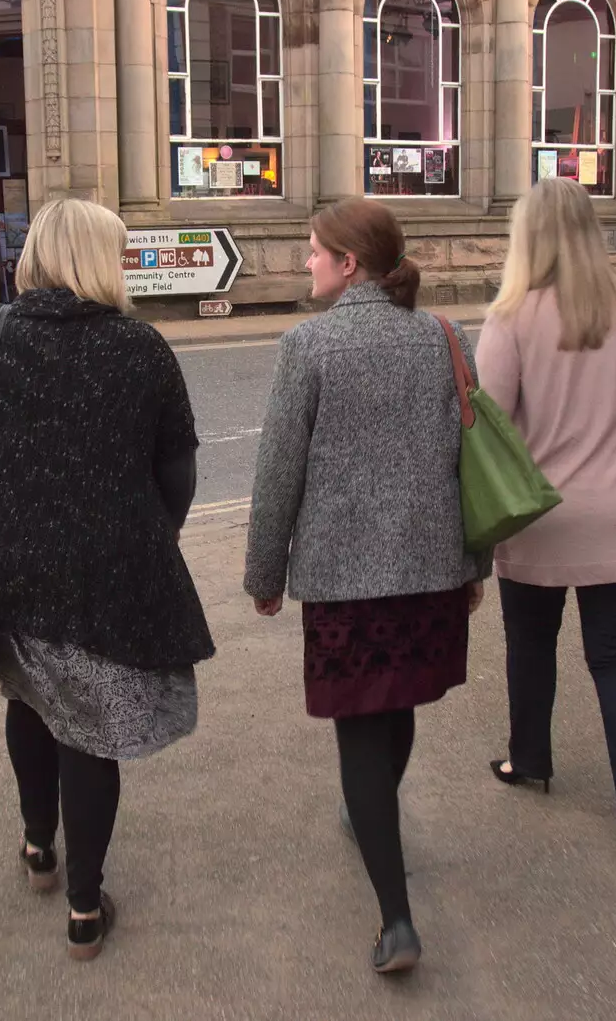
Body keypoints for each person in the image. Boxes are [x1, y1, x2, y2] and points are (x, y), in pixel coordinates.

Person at [0, 197, 214, 961]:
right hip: (104, 573)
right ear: (98, 259)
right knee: (90, 732)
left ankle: (36, 848)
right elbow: (177, 469)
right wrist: (143, 528)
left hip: (4, 565)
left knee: (28, 696)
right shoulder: (141, 349)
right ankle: (84, 907)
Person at [244, 197, 486, 975]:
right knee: (400, 704)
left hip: (347, 580)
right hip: (429, 570)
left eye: (314, 250)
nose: (305, 262)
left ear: (350, 264)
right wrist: (471, 565)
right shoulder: (443, 337)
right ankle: (370, 813)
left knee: (359, 726)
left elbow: (277, 473)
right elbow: (464, 460)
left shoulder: (308, 346)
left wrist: (264, 574)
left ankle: (398, 920)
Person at [473, 177, 616, 866]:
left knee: (530, 644)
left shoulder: (509, 316)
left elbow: (491, 421)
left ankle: (529, 759)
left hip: (540, 514)